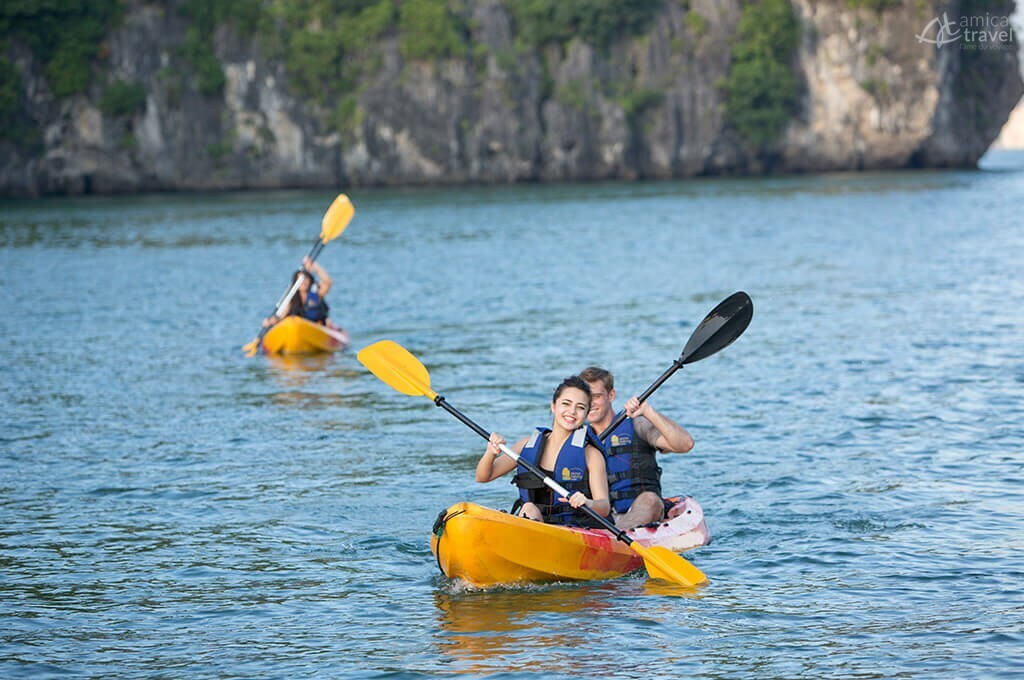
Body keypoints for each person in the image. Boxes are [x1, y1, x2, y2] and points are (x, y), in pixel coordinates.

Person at [475, 375, 611, 527]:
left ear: (586, 414)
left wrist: (588, 502)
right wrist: (490, 453)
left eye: (580, 407)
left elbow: (604, 507)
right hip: (535, 523)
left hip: (576, 530)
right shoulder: (526, 445)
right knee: (528, 508)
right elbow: (483, 476)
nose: (572, 411)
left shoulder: (591, 454)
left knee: (529, 510)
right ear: (553, 406)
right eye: (566, 404)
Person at [579, 366, 694, 531]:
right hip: (603, 518)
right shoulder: (579, 440)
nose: (590, 403)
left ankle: (617, 537)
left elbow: (685, 444)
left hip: (643, 510)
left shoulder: (636, 423)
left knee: (650, 499)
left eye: (596, 396)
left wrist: (648, 412)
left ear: (611, 395)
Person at [262, 256, 337, 328]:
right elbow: (281, 316)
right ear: (295, 283)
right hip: (297, 328)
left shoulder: (316, 294)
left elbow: (328, 282)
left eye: (305, 278)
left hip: (315, 327)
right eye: (300, 279)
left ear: (310, 280)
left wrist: (314, 266)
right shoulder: (291, 298)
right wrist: (271, 321)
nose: (303, 282)